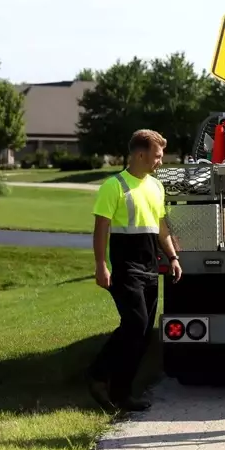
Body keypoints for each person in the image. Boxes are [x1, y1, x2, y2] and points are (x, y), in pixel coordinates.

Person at [87, 129, 183, 412]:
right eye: (157, 156)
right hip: (125, 266)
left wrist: (173, 257)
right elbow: (100, 228)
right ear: (140, 154)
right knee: (135, 324)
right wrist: (101, 265)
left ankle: (122, 393)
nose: (160, 162)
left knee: (142, 334)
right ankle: (96, 374)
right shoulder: (113, 186)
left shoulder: (156, 186)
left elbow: (161, 227)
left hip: (150, 265)